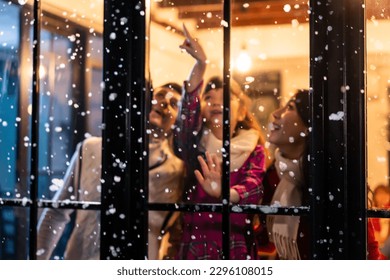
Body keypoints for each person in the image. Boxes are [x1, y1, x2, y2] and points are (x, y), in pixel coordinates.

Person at [36, 83, 184, 260]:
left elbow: (178, 238)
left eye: (174, 103)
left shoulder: (178, 173)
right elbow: (56, 213)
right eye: (159, 95)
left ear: (178, 121)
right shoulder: (91, 150)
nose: (163, 103)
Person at [173, 26, 266, 260]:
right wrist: (200, 65)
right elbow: (186, 113)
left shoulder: (253, 146)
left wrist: (226, 194)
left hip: (234, 243)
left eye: (225, 98)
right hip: (197, 240)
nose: (216, 103)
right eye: (209, 98)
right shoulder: (194, 143)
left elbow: (254, 187)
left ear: (242, 110)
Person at [264, 89, 387, 260]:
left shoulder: (335, 180)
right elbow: (263, 239)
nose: (276, 114)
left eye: (290, 107)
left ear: (308, 127)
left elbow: (367, 250)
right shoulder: (273, 176)